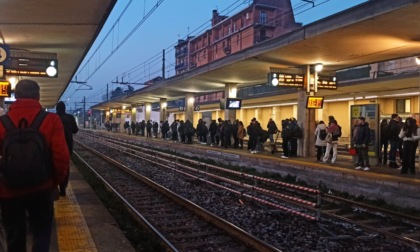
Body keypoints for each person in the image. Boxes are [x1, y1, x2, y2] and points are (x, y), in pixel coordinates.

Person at [0, 79, 70, 252]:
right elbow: (61, 157)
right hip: (42, 188)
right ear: (38, 96)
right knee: (41, 233)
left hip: (9, 191)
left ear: (16, 96)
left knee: (14, 237)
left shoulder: (1, 122)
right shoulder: (51, 120)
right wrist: (55, 183)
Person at [56, 101, 79, 196]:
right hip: (67, 146)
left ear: (57, 109)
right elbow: (75, 130)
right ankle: (63, 188)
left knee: (53, 165)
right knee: (65, 166)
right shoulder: (70, 117)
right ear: (65, 109)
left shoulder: (53, 117)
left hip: (55, 146)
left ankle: (54, 186)